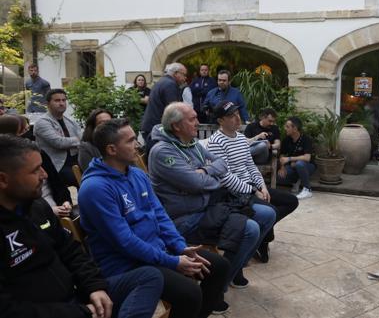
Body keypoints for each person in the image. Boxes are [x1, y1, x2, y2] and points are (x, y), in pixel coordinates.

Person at [78, 118, 230, 317]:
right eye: (131, 141)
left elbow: (159, 215)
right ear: (112, 150)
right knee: (190, 293)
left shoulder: (137, 174)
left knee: (218, 266)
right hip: (127, 265)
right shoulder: (96, 188)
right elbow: (125, 242)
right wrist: (172, 261)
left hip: (155, 251)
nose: (138, 145)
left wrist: (178, 246)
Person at [0, 134, 164, 318]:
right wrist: (79, 312)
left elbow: (71, 251)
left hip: (77, 297)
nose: (44, 175)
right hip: (52, 312)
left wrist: (95, 287)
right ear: (3, 180)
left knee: (149, 277)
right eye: (35, 170)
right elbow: (7, 310)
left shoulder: (36, 207)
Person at [149, 102, 275, 289]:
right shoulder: (163, 151)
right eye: (192, 119)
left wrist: (204, 172)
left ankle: (230, 272)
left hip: (209, 206)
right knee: (250, 229)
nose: (198, 122)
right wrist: (209, 177)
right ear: (176, 126)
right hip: (186, 219)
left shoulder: (191, 144)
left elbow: (220, 165)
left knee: (267, 214)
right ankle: (216, 288)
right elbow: (198, 182)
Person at [207, 101, 298, 263]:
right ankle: (261, 241)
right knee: (270, 210)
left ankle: (262, 237)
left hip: (252, 186)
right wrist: (253, 191)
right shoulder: (216, 142)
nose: (237, 118)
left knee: (291, 201)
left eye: (237, 113)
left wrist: (263, 186)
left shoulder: (241, 138)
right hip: (235, 193)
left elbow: (251, 166)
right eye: (231, 116)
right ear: (220, 121)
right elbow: (226, 177)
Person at [0, 115, 76, 218]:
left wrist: (65, 202)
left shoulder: (39, 154)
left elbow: (58, 184)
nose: (44, 175)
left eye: (28, 129)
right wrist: (48, 211)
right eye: (23, 132)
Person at [34, 89, 82, 187]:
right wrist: (78, 140)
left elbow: (82, 137)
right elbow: (59, 143)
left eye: (63, 100)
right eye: (57, 100)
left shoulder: (70, 120)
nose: (61, 103)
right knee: (83, 180)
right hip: (57, 165)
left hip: (76, 160)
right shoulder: (42, 122)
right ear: (48, 103)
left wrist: (79, 139)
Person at [140, 63, 187, 157]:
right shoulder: (170, 84)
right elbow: (174, 111)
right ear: (176, 73)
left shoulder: (162, 81)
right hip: (157, 130)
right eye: (184, 75)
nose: (185, 78)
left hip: (151, 128)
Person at [277, 117, 316, 200]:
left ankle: (307, 189)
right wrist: (282, 167)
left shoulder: (306, 139)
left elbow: (307, 158)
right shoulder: (286, 139)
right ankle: (296, 181)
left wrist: (290, 159)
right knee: (280, 176)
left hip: (308, 166)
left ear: (295, 128)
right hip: (292, 166)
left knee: (299, 164)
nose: (285, 128)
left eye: (287, 127)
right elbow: (282, 155)